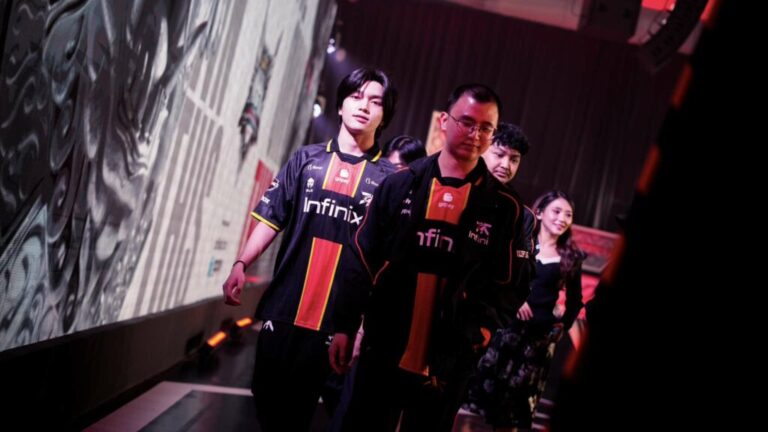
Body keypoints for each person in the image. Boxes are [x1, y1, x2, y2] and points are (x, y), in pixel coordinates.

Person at [329, 84, 531, 431]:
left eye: (485, 127)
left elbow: (512, 285)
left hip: (449, 360)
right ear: (444, 122)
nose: (475, 134)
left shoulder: (505, 208)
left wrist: (479, 332)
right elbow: (362, 257)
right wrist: (345, 326)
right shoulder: (400, 184)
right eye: (467, 122)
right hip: (384, 348)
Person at [221, 67, 398, 431]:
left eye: (375, 101)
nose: (363, 106)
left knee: (311, 414)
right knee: (268, 403)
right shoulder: (306, 160)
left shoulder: (389, 181)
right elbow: (271, 217)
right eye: (355, 97)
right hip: (285, 309)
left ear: (385, 115)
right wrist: (241, 262)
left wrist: (361, 327)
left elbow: (385, 261)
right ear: (340, 106)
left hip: (339, 324)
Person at [462, 189, 585, 430]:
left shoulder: (571, 256)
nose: (562, 219)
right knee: (479, 398)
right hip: (504, 331)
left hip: (535, 343)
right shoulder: (520, 243)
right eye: (557, 211)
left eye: (568, 215)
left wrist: (563, 326)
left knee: (512, 410)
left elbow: (576, 300)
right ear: (539, 213)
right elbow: (497, 278)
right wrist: (517, 301)